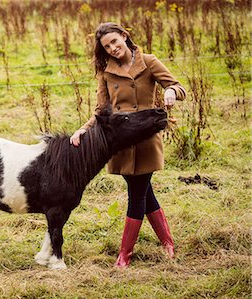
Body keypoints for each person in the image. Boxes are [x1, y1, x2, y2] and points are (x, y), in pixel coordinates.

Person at [70, 22, 186, 268]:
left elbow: (178, 86)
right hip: (120, 142)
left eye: (115, 41)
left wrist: (172, 93)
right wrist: (84, 128)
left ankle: (125, 254)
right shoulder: (106, 73)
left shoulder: (149, 61)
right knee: (145, 193)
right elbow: (101, 110)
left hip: (145, 137)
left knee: (137, 193)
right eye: (106, 46)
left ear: (124, 36)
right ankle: (168, 242)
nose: (113, 48)